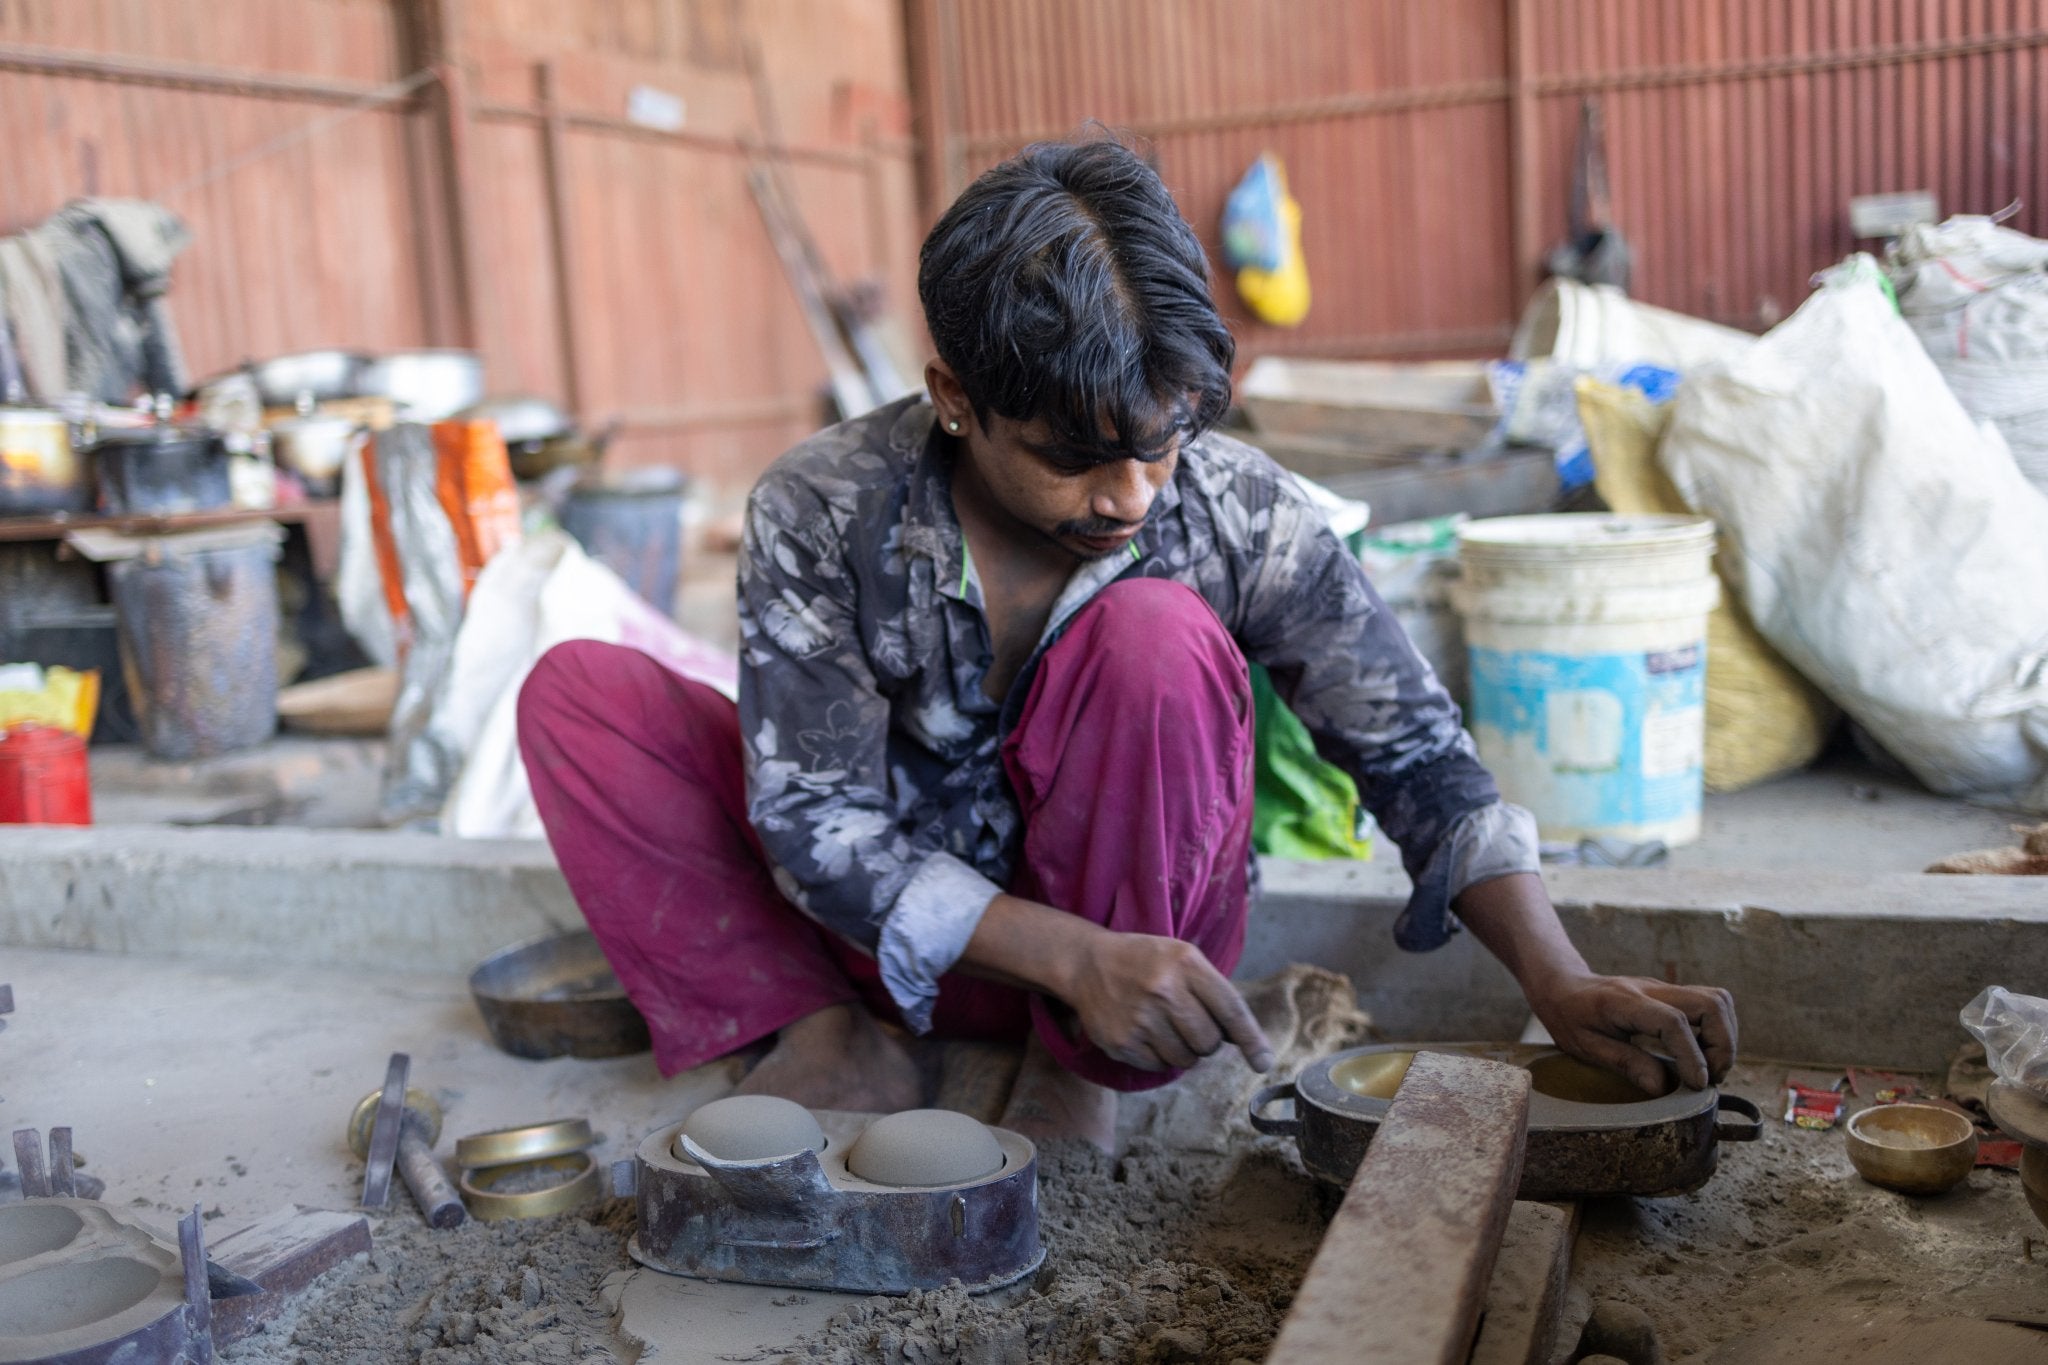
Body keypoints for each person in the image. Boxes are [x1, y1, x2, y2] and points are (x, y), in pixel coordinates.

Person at [517, 137, 1737, 1151]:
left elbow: (1414, 752)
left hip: (1137, 980)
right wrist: (1061, 950)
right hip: (895, 941)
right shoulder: (822, 507)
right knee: (582, 695)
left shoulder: (1233, 506)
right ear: (954, 399)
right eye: (1072, 457)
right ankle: (823, 1029)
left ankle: (1088, 1072)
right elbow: (814, 822)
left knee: (1152, 636)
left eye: (1158, 443)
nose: (1130, 496)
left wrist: (1555, 977)